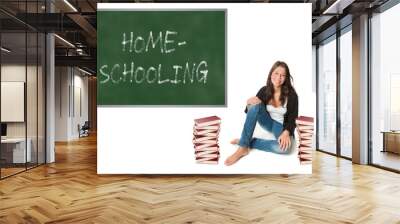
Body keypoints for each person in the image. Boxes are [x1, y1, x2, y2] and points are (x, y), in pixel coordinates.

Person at [225, 61, 298, 166]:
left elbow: (293, 118)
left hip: (281, 126)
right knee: (254, 105)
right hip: (267, 122)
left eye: (282, 75)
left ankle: (247, 142)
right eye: (276, 73)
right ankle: (242, 148)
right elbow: (250, 111)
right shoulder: (264, 90)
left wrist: (286, 132)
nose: (279, 77)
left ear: (286, 78)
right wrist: (249, 103)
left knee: (285, 149)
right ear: (271, 74)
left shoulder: (292, 95)